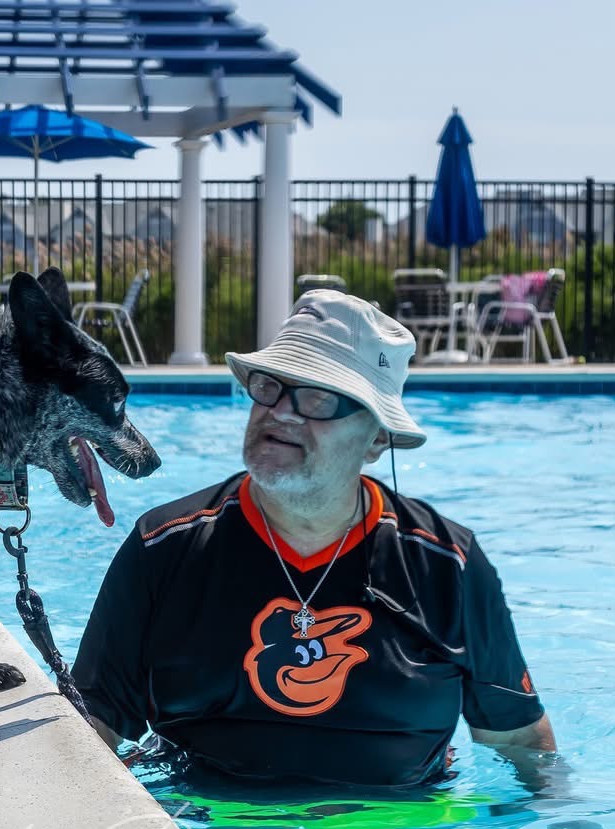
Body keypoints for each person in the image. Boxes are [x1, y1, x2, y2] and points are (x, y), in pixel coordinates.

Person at [71, 290, 557, 786]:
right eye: (270, 386)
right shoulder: (166, 547)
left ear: (377, 438)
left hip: (401, 823)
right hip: (204, 819)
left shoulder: (446, 565)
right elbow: (90, 726)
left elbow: (519, 740)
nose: (280, 411)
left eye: (319, 397)